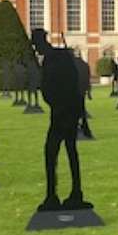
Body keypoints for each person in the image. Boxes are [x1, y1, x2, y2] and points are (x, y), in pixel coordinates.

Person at [31, 28, 92, 212]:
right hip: (68, 110)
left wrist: (47, 92)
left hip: (61, 111)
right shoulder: (61, 56)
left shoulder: (53, 59)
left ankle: (53, 195)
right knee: (70, 151)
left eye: (36, 45)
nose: (36, 49)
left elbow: (54, 86)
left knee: (52, 153)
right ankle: (75, 193)